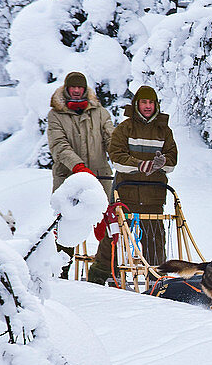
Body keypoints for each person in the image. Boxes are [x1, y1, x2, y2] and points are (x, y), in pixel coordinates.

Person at [87, 85, 178, 283]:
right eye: (144, 102)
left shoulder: (164, 130)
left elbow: (172, 158)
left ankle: (155, 277)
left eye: (151, 102)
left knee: (155, 237)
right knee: (114, 234)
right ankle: (102, 273)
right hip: (125, 193)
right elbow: (117, 158)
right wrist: (139, 165)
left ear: (156, 105)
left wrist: (163, 163)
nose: (147, 106)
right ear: (137, 104)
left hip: (154, 193)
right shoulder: (125, 128)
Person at [46, 71, 113, 275]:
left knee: (107, 227)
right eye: (73, 87)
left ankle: (104, 271)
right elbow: (58, 145)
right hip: (69, 179)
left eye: (80, 87)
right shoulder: (56, 115)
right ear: (67, 89)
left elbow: (111, 139)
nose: (76, 91)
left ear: (85, 89)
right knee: (67, 225)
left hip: (100, 177)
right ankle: (61, 272)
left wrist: (123, 156)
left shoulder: (100, 113)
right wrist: (77, 165)